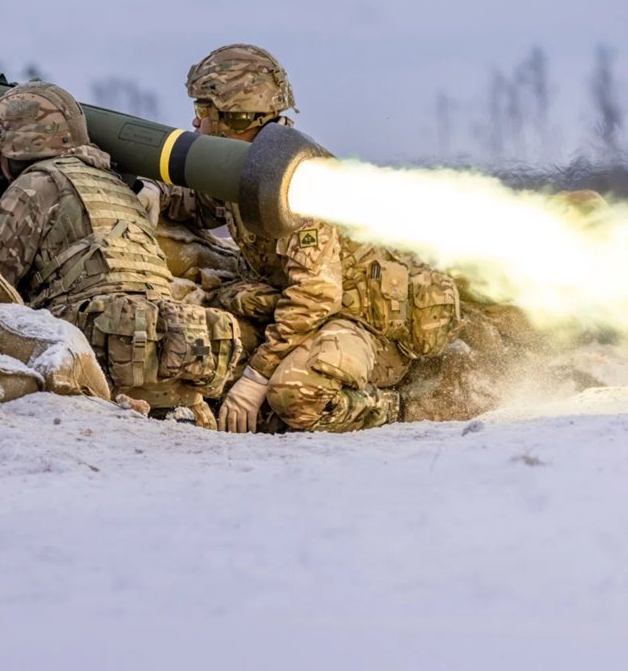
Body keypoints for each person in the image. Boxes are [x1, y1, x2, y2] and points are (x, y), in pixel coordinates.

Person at [147, 44, 461, 433]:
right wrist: (155, 194)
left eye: (204, 111)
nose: (196, 124)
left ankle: (409, 407)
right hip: (310, 315)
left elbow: (316, 295)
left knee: (295, 394)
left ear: (237, 116)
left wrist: (256, 378)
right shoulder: (247, 164)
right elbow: (202, 206)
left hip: (366, 327)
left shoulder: (298, 179)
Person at [0, 81, 241, 425]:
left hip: (102, 362)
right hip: (173, 356)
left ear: (15, 147)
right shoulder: (117, 184)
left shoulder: (37, 185)